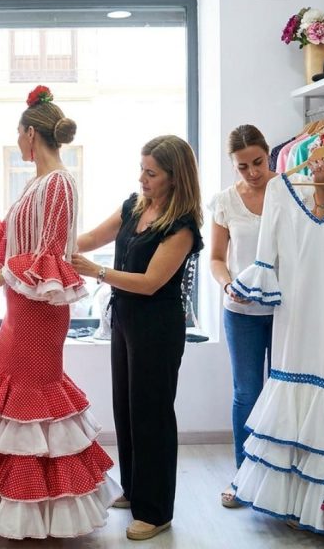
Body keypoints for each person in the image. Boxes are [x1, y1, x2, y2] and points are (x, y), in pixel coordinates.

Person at [0, 85, 120, 540]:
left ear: (31, 134)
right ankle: (12, 504)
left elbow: (49, 255)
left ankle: (34, 508)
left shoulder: (59, 184)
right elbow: (9, 240)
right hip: (22, 307)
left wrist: (1, 276)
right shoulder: (37, 184)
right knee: (12, 398)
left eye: (19, 133)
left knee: (29, 399)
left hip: (39, 311)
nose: (19, 139)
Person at [72, 134, 203, 541]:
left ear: (174, 177)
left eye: (152, 173)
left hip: (158, 327)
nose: (142, 178)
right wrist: (49, 244)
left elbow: (149, 283)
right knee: (126, 409)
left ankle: (157, 510)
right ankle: (134, 489)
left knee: (153, 415)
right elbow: (91, 238)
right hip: (125, 321)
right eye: (141, 170)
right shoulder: (134, 205)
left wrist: (95, 272)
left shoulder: (182, 227)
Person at [211, 125, 324, 512]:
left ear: (269, 154)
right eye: (242, 166)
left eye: (258, 162)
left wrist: (322, 187)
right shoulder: (225, 202)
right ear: (233, 166)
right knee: (247, 392)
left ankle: (284, 478)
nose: (252, 172)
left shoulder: (292, 189)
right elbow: (215, 257)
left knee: (288, 388)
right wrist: (227, 284)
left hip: (289, 309)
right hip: (243, 310)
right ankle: (243, 476)